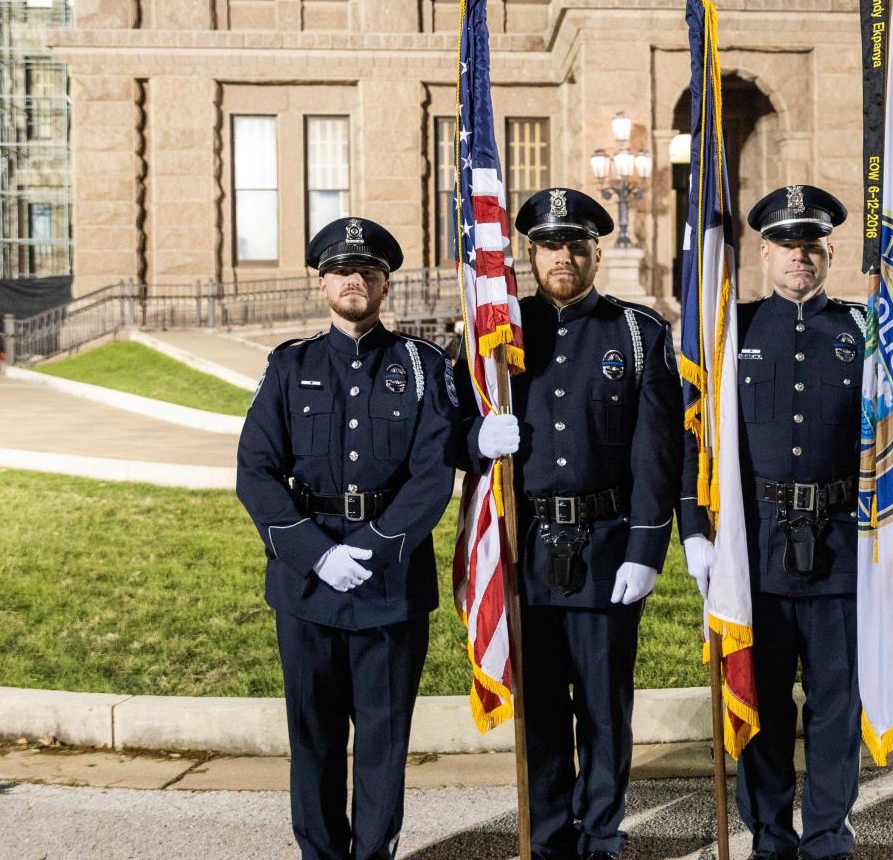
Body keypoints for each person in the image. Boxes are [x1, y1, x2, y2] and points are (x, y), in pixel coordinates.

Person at [457, 186, 698, 860]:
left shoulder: (636, 331)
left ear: (597, 253)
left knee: (602, 707)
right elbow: (451, 434)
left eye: (577, 245)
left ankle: (601, 835)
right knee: (538, 711)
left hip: (604, 543)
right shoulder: (497, 332)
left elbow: (659, 450)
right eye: (549, 246)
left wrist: (647, 548)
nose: (563, 257)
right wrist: (478, 437)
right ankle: (548, 835)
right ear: (528, 254)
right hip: (523, 547)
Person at [236, 216, 473, 860]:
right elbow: (254, 471)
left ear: (385, 285)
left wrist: (367, 549)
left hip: (388, 579)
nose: (355, 282)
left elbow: (433, 473)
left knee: (383, 736)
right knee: (312, 735)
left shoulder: (422, 367)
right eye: (343, 271)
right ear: (322, 284)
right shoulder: (289, 365)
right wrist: (317, 553)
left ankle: (374, 854)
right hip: (307, 580)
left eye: (368, 272)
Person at [706, 184, 866, 860]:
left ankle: (828, 835)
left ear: (831, 251)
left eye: (814, 244)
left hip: (843, 546)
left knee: (836, 707)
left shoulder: (866, 330)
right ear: (763, 252)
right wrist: (697, 530)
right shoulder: (729, 331)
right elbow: (699, 442)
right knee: (762, 704)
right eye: (788, 244)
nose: (802, 255)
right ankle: (770, 835)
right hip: (759, 547)